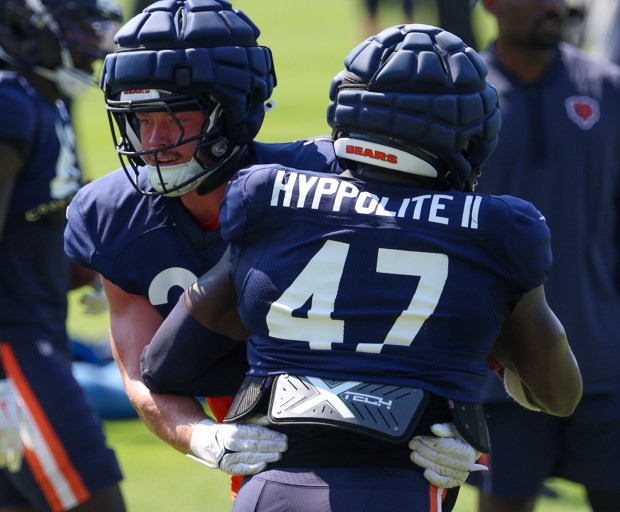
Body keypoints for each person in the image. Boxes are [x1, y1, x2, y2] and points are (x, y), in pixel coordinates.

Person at [140, 23, 583, 512]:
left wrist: (270, 391)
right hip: (401, 489)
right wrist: (460, 409)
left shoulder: (266, 196)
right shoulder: (500, 230)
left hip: (272, 490)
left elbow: (165, 362)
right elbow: (559, 392)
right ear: (472, 133)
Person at [64, 0, 493, 500]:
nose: (154, 141)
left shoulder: (328, 183)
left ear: (234, 108)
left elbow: (457, 298)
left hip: (372, 425)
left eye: (176, 117)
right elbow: (144, 377)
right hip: (252, 429)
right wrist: (200, 436)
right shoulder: (111, 213)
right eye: (140, 118)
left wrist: (461, 422)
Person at [471, 1, 620, 511]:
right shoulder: (463, 94)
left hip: (606, 359)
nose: (555, 7)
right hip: (501, 369)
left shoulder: (608, 88)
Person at [0, 0, 127, 510]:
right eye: (78, 29)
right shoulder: (11, 100)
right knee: (97, 499)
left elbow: (31, 230)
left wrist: (90, 266)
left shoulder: (43, 99)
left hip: (36, 332)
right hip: (17, 347)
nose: (92, 44)